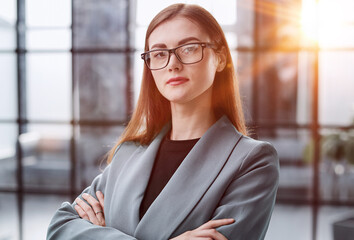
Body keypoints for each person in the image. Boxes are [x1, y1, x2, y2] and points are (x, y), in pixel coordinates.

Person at [47, 3, 279, 240]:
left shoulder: (252, 161)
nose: (172, 64)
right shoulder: (128, 153)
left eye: (188, 48)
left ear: (219, 59)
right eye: (159, 53)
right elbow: (61, 227)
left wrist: (102, 233)